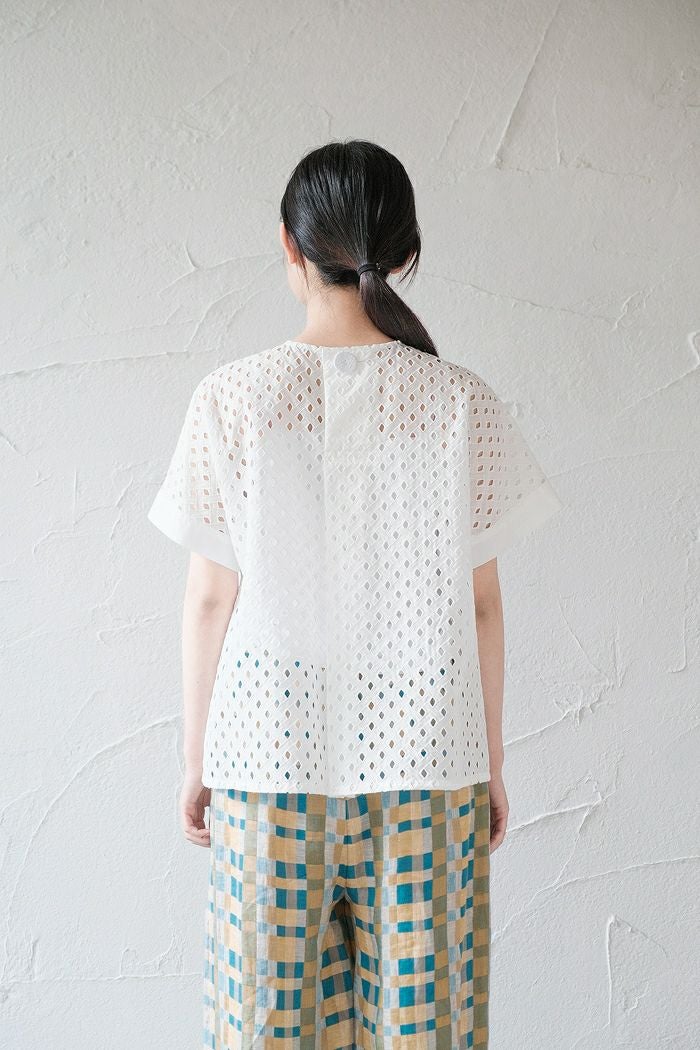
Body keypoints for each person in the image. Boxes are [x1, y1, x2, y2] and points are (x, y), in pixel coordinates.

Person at [147, 139, 563, 1050]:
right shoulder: (459, 402)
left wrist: (195, 761)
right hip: (429, 767)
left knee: (262, 1028)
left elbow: (210, 601)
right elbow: (482, 606)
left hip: (267, 765)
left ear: (289, 247)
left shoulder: (232, 399)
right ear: (405, 250)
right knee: (427, 1029)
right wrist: (491, 762)